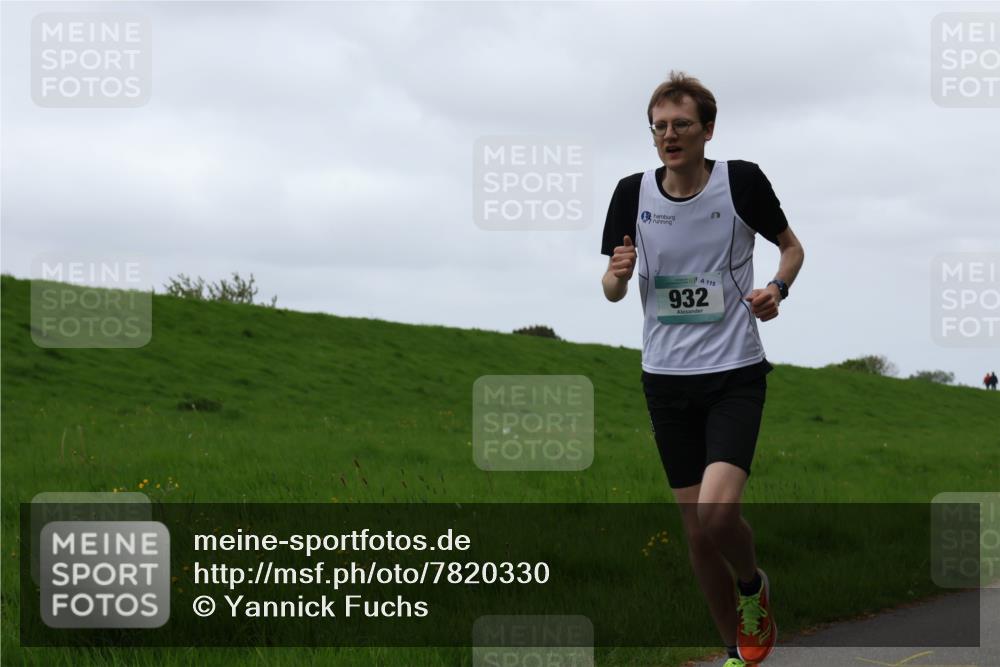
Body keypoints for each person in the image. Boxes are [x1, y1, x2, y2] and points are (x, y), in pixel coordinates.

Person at [600, 71, 804, 667]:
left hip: (734, 373)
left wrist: (776, 289)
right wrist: (616, 271)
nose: (670, 135)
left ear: (707, 130)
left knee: (717, 514)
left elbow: (792, 248)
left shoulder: (741, 182)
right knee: (694, 531)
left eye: (681, 124)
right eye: (659, 127)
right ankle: (734, 650)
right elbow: (613, 289)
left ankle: (751, 585)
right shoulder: (630, 192)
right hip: (664, 380)